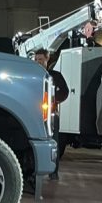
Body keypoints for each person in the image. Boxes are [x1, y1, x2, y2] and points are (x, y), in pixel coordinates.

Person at [33, 48, 69, 180]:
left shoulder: (55, 76)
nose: (38, 62)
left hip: (51, 115)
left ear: (47, 59)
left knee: (54, 142)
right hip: (35, 115)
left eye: (40, 59)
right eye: (36, 59)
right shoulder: (31, 75)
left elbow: (64, 92)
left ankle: (54, 172)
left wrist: (53, 100)